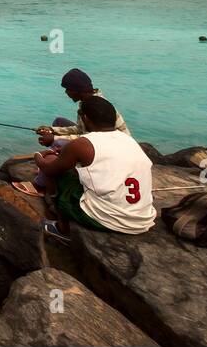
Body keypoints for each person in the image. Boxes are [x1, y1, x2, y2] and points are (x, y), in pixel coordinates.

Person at [35, 96, 155, 242]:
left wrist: (39, 158)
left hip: (107, 219)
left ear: (85, 118)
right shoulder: (130, 140)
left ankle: (62, 229)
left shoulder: (82, 144)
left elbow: (49, 169)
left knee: (53, 164)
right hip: (142, 219)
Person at [11, 68, 128, 197]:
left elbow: (88, 138)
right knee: (59, 121)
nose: (66, 93)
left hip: (109, 145)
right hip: (99, 138)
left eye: (67, 89)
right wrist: (52, 130)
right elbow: (80, 129)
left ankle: (42, 184)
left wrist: (54, 139)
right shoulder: (88, 101)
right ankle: (60, 161)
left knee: (58, 144)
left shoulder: (93, 107)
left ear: (77, 90)